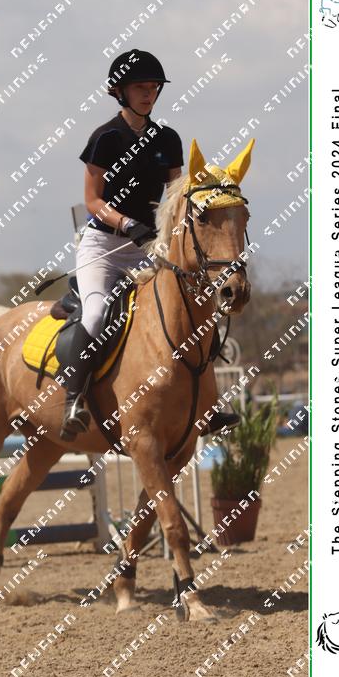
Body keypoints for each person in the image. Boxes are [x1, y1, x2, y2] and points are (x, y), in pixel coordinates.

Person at [60, 48, 238, 441]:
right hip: (104, 247)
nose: (148, 94)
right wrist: (128, 223)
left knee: (195, 310)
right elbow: (92, 201)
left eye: (154, 87)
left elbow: (175, 197)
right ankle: (74, 400)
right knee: (96, 314)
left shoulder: (167, 139)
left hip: (150, 246)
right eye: (140, 87)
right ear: (119, 92)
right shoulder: (105, 138)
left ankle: (207, 405)